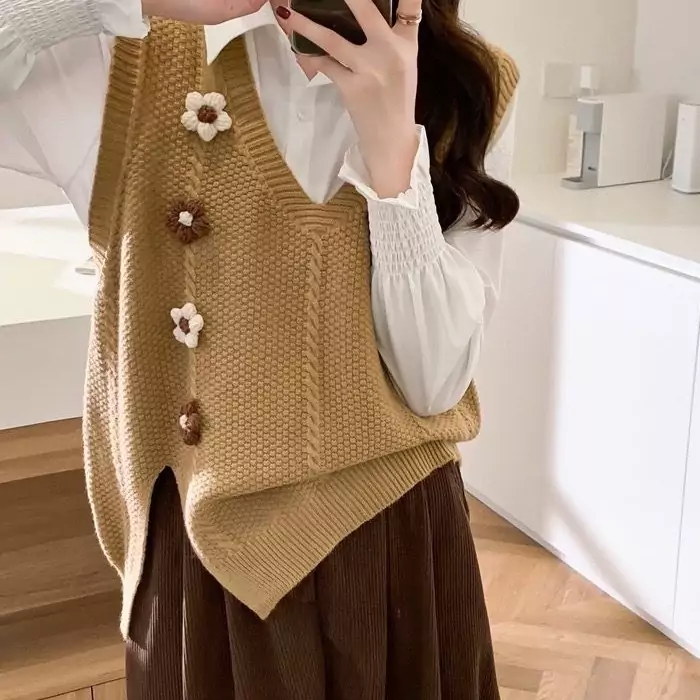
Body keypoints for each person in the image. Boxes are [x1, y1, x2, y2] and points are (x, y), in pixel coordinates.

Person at [0, 0, 519, 697]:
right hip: (205, 552)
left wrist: (393, 145)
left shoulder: (465, 82)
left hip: (393, 538)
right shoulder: (125, 58)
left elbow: (433, 383)